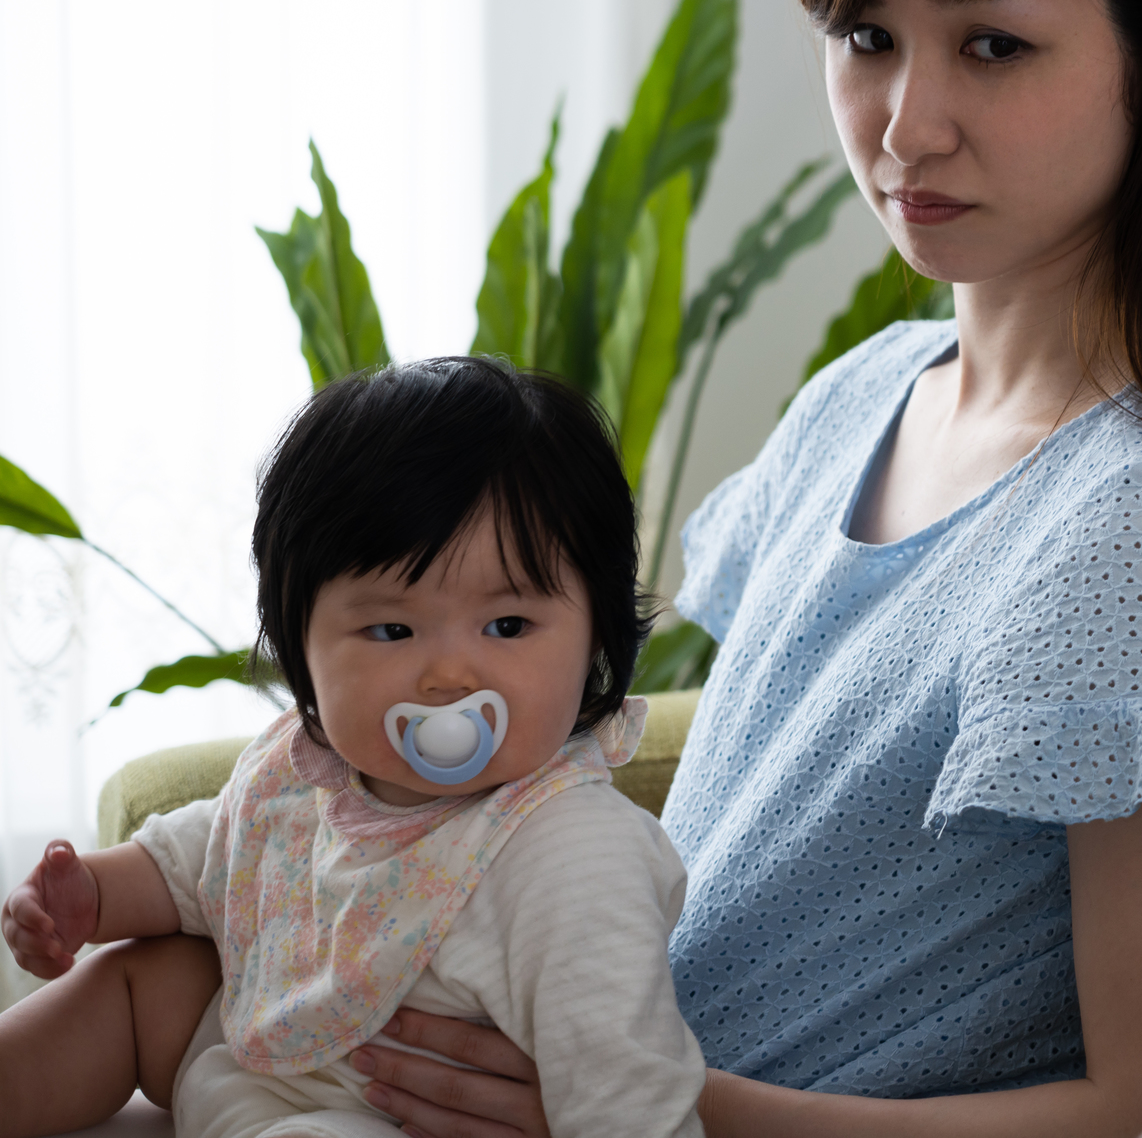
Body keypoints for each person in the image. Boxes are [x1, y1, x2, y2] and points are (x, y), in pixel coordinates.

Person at [350, 0, 1142, 1133]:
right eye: (867, 38)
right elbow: (762, 835)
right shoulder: (867, 390)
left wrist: (643, 1103)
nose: (905, 128)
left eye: (993, 45)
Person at [0, 358, 707, 1137]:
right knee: (138, 980)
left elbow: (628, 1093)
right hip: (249, 1067)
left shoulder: (572, 852)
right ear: (301, 648)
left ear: (596, 637)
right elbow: (209, 862)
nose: (449, 675)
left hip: (382, 1113)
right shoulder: (313, 769)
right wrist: (91, 896)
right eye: (391, 629)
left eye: (507, 626)